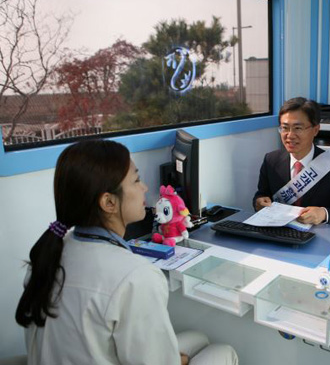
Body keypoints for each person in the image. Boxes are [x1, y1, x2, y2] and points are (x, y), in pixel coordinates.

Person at [15, 139, 238, 365]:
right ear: (109, 202)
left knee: (198, 339)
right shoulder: (135, 277)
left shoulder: (46, 256)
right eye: (136, 180)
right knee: (223, 352)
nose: (145, 188)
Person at [253, 97, 330, 227]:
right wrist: (259, 202)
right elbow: (262, 195)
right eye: (285, 128)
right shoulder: (271, 161)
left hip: (319, 238)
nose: (290, 135)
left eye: (298, 128)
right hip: (278, 234)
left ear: (315, 130)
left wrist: (323, 214)